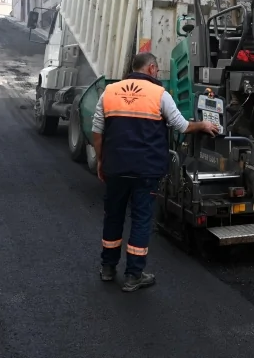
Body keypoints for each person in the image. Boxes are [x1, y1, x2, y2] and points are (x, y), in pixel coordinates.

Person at [92, 52, 219, 292]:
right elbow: (181, 126)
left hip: (116, 168)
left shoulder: (109, 92)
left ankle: (108, 268)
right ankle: (133, 275)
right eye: (157, 69)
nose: (157, 73)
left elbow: (97, 130)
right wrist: (203, 125)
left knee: (113, 216)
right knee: (141, 219)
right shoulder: (160, 94)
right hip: (146, 170)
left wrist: (101, 160)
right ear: (151, 68)